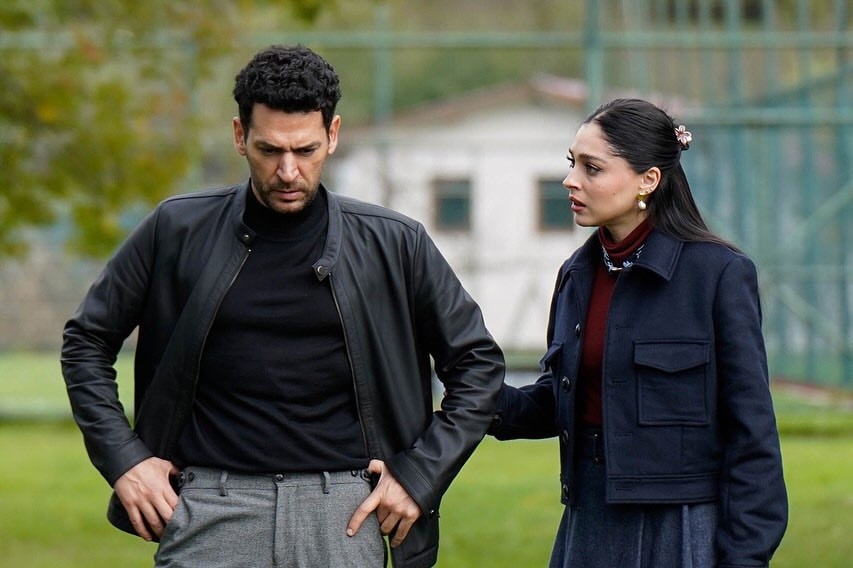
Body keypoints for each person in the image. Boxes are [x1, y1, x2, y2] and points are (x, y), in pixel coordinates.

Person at [61, 44, 504, 568]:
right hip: (208, 509)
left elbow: (477, 365)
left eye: (306, 150)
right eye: (269, 150)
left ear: (333, 135)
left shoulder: (395, 243)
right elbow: (86, 342)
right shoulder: (176, 230)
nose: (288, 171)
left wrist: (419, 475)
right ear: (239, 136)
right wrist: (125, 461)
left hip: (346, 513)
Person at [490, 98, 787, 567]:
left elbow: (752, 435)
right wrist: (477, 395)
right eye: (572, 163)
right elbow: (561, 399)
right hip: (588, 521)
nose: (571, 180)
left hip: (682, 528)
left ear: (648, 179)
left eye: (592, 168)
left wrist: (745, 557)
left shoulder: (717, 274)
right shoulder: (576, 274)